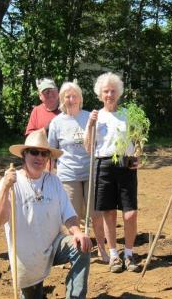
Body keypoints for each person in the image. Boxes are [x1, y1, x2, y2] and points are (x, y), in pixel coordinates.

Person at [0, 129, 91, 299]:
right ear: (24, 155)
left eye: (44, 154)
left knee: (82, 246)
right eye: (35, 152)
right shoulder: (11, 182)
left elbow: (69, 214)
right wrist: (6, 187)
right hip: (27, 257)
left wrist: (78, 232)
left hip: (54, 245)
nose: (40, 157)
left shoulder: (54, 181)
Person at [48, 81, 109, 262]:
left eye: (75, 96)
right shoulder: (56, 122)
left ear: (80, 99)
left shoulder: (90, 117)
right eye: (67, 96)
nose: (71, 99)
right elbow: (51, 152)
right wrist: (49, 175)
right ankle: (74, 253)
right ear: (62, 99)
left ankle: (102, 249)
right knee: (72, 216)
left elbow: (100, 144)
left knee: (97, 215)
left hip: (90, 172)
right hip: (68, 174)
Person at [84, 72, 139, 273]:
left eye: (113, 91)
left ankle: (130, 254)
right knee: (108, 212)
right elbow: (88, 148)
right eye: (106, 91)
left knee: (130, 213)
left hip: (125, 164)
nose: (109, 94)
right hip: (103, 164)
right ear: (100, 94)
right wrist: (90, 125)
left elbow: (137, 141)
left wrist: (137, 157)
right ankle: (114, 255)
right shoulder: (96, 116)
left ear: (119, 93)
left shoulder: (128, 115)